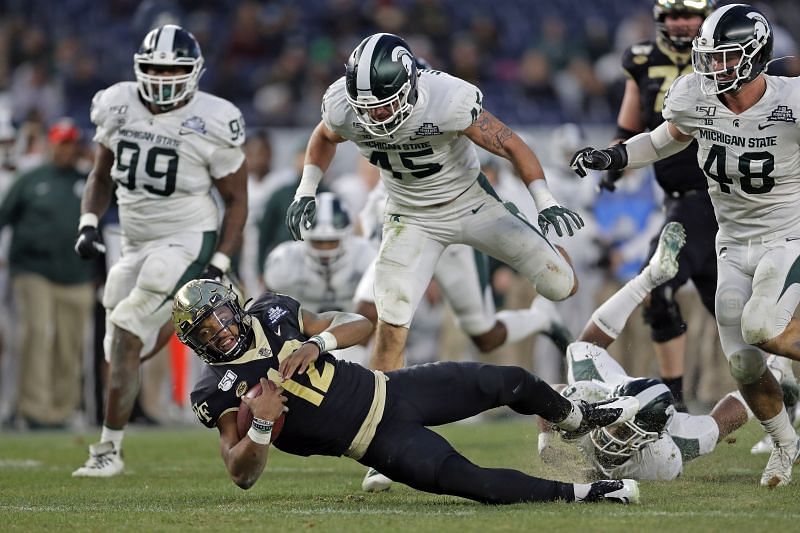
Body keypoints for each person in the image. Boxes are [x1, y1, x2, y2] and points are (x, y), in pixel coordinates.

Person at [570, 4, 800, 487]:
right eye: (709, 58)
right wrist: (613, 154)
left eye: (725, 58)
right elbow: (660, 140)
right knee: (743, 362)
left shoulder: (792, 102)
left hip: (788, 232)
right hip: (732, 241)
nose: (713, 68)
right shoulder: (696, 95)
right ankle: (784, 443)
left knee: (761, 325)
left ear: (756, 55)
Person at [174, 278, 641, 504]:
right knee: (471, 481)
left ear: (233, 305)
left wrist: (318, 343)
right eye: (205, 333)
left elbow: (358, 323)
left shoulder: (276, 311)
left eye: (218, 320)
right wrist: (259, 423)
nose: (218, 335)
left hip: (393, 389)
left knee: (507, 380)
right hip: (375, 443)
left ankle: (575, 419)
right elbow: (241, 474)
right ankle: (586, 493)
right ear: (196, 344)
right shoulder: (216, 391)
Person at [71, 24, 248, 477]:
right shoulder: (117, 104)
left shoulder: (214, 118)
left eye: (174, 69)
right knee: (119, 340)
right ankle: (169, 324)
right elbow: (100, 174)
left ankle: (107, 450)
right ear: (138, 68)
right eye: (154, 67)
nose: (164, 77)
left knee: (129, 328)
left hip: (187, 236)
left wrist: (220, 260)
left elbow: (235, 199)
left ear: (194, 72)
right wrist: (88, 223)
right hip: (132, 241)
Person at [538, 222, 791, 480]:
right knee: (583, 348)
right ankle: (650, 276)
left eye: (625, 432)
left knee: (711, 432)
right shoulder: (592, 397)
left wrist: (774, 373)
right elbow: (548, 393)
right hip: (610, 386)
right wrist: (546, 441)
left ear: (649, 438)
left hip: (664, 438)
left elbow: (721, 422)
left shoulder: (664, 458)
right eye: (621, 427)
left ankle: (779, 370)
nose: (616, 435)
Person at [600, 0, 718, 410]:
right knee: (671, 296)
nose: (682, 24)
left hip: (726, 200)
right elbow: (629, 128)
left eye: (690, 16)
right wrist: (613, 164)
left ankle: (679, 403)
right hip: (681, 202)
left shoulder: (725, 56)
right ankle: (678, 402)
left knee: (750, 320)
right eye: (673, 16)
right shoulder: (642, 59)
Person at [0, 118, 95, 428]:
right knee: (38, 335)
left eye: (71, 143)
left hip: (76, 273)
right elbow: (3, 217)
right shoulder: (30, 179)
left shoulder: (88, 182)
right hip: (33, 269)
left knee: (70, 344)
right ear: (51, 144)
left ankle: (62, 411)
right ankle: (33, 409)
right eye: (61, 143)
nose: (66, 149)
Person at [265, 192, 376, 365]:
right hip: (301, 338)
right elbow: (269, 309)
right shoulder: (284, 261)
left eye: (332, 241)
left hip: (358, 339)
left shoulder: (367, 256)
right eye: (319, 241)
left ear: (346, 235)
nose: (325, 250)